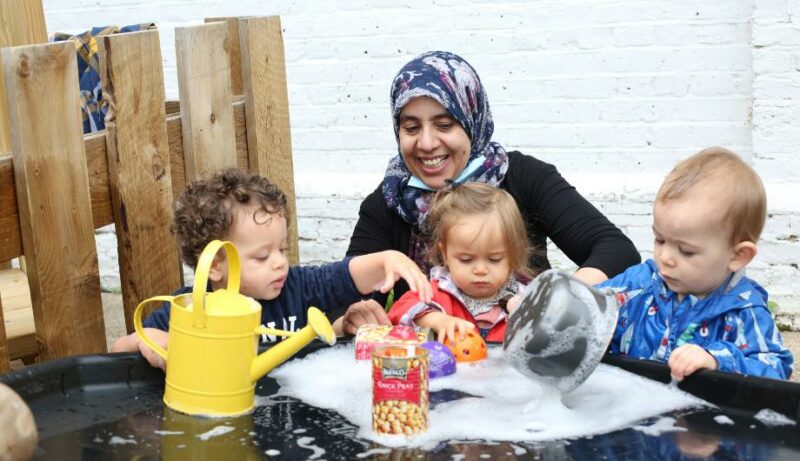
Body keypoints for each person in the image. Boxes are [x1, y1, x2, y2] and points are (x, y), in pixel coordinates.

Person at [339, 50, 641, 335]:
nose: (427, 143)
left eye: (445, 124)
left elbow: (616, 250)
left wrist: (553, 302)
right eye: (411, 128)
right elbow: (342, 296)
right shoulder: (388, 202)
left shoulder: (523, 176)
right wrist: (352, 314)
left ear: (472, 120)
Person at [111, 169, 431, 369]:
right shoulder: (189, 309)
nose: (279, 262)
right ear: (216, 265)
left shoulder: (296, 286)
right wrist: (150, 339)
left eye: (282, 249)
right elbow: (119, 349)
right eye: (262, 257)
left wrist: (386, 259)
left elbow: (342, 275)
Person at [598, 147, 793, 380]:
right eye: (660, 240)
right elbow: (590, 306)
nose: (665, 258)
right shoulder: (639, 285)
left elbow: (774, 368)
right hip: (630, 404)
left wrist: (717, 358)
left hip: (698, 413)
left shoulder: (743, 312)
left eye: (686, 251)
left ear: (737, 256)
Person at [387, 182, 531, 343]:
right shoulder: (436, 292)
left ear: (512, 255)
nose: (481, 269)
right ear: (445, 254)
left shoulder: (526, 298)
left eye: (494, 259)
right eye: (466, 260)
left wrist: (531, 318)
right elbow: (398, 312)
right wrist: (437, 320)